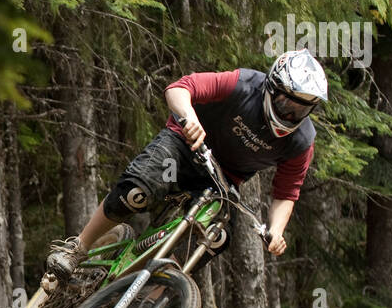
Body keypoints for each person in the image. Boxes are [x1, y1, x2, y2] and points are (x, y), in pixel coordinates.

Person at [46, 49, 327, 282]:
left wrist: (276, 231)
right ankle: (77, 249)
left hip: (222, 180)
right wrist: (189, 118)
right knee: (136, 192)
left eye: (301, 109)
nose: (290, 113)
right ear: (271, 88)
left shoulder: (301, 142)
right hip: (185, 145)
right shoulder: (243, 84)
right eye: (285, 103)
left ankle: (150, 299)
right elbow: (180, 88)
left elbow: (286, 194)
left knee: (216, 238)